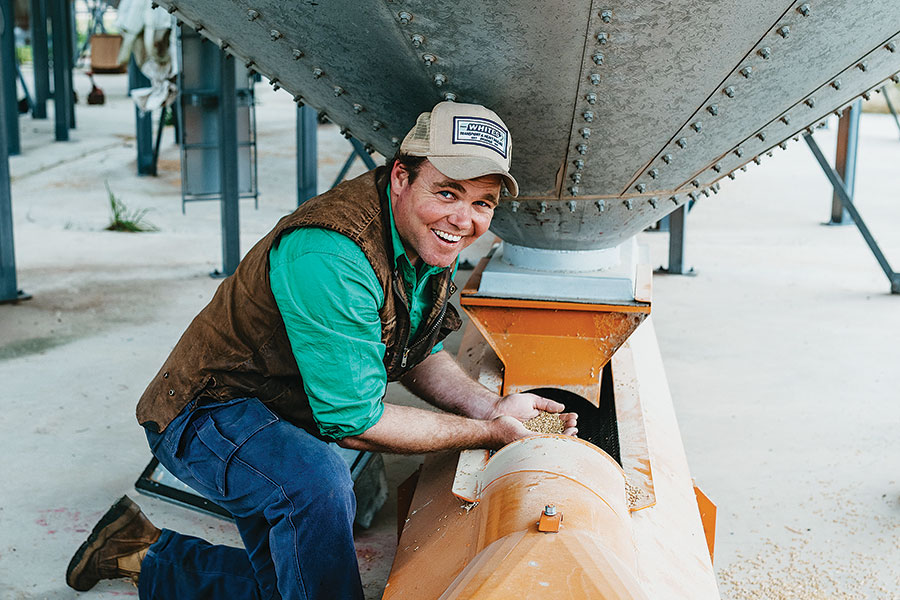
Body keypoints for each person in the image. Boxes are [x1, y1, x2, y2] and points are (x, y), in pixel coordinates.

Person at [66, 101, 578, 599]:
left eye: (482, 203)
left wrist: (491, 406)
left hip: (282, 403)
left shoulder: (425, 234)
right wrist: (488, 431)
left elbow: (409, 350)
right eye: (447, 193)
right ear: (401, 176)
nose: (463, 220)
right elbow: (355, 422)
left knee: (297, 583)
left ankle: (136, 551)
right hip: (206, 410)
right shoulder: (332, 253)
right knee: (316, 484)